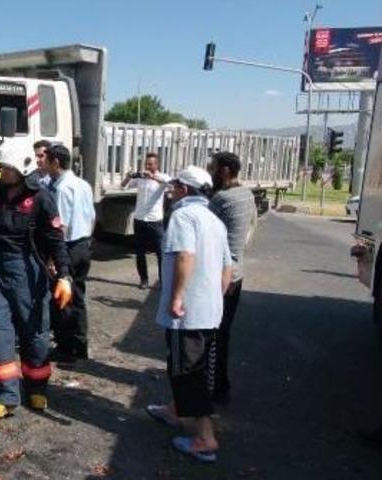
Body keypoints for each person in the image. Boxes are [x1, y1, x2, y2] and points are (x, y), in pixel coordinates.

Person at [0, 137, 72, 420]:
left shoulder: (41, 197)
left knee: (35, 331)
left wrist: (64, 275)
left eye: (7, 168)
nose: (1, 172)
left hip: (27, 271)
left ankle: (37, 386)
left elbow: (56, 239)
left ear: (23, 169)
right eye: (1, 167)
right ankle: (5, 395)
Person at [145, 165, 232, 464]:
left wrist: (178, 296)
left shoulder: (183, 215)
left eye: (175, 186)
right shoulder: (214, 220)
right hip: (207, 309)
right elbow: (227, 269)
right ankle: (175, 410)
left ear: (184, 189)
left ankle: (205, 438)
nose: (171, 190)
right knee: (186, 364)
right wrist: (213, 298)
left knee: (187, 372)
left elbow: (185, 255)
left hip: (189, 311)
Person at [207, 152, 256, 404]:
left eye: (213, 167)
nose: (210, 171)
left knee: (213, 333)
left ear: (224, 171)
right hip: (237, 273)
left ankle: (215, 387)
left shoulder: (221, 198)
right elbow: (251, 228)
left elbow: (205, 230)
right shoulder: (247, 194)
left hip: (221, 276)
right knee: (223, 333)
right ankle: (220, 384)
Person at [44, 144, 96, 362]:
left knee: (63, 298)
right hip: (83, 245)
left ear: (56, 162)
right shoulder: (82, 184)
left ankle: (67, 347)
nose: (44, 165)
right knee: (79, 297)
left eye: (47, 160)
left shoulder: (62, 189)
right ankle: (80, 342)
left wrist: (52, 258)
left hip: (68, 247)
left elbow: (60, 227)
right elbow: (92, 217)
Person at [122, 152, 171, 288]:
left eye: (150, 164)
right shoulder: (141, 178)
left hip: (155, 220)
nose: (147, 166)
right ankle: (144, 279)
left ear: (157, 164)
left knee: (160, 252)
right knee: (139, 251)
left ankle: (163, 281)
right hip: (140, 219)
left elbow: (171, 186)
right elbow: (124, 185)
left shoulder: (162, 177)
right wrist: (128, 176)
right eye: (146, 164)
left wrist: (154, 178)